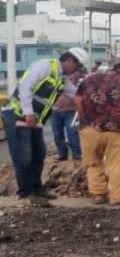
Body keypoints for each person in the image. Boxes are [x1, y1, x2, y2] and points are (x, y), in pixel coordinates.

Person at [2, 47, 89, 205]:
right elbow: (24, 86)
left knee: (39, 154)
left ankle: (37, 188)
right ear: (70, 60)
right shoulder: (45, 66)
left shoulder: (62, 78)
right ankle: (27, 193)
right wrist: (28, 113)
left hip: (34, 120)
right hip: (16, 114)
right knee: (24, 156)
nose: (78, 70)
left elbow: (76, 94)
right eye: (78, 66)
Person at [74, 63, 120, 205]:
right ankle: (116, 198)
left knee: (93, 162)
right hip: (116, 129)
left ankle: (98, 195)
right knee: (117, 164)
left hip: (90, 129)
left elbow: (78, 100)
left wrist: (83, 118)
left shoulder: (89, 79)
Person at [50, 68, 86, 161]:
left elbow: (85, 74)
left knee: (72, 132)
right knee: (57, 133)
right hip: (55, 110)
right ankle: (62, 153)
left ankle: (77, 154)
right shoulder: (57, 76)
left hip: (71, 110)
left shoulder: (75, 75)